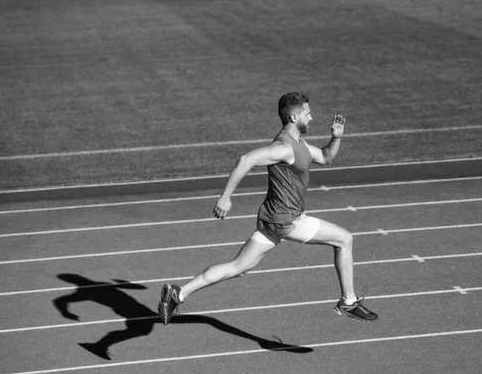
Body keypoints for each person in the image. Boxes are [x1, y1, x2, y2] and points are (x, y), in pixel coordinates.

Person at [158, 92, 377, 325]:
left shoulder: (299, 145)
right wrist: (225, 197)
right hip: (287, 221)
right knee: (344, 239)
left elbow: (325, 157)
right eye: (308, 113)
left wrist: (336, 138)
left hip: (271, 220)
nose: (312, 118)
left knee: (237, 267)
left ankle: (178, 293)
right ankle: (348, 302)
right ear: (294, 117)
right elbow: (246, 159)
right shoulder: (284, 148)